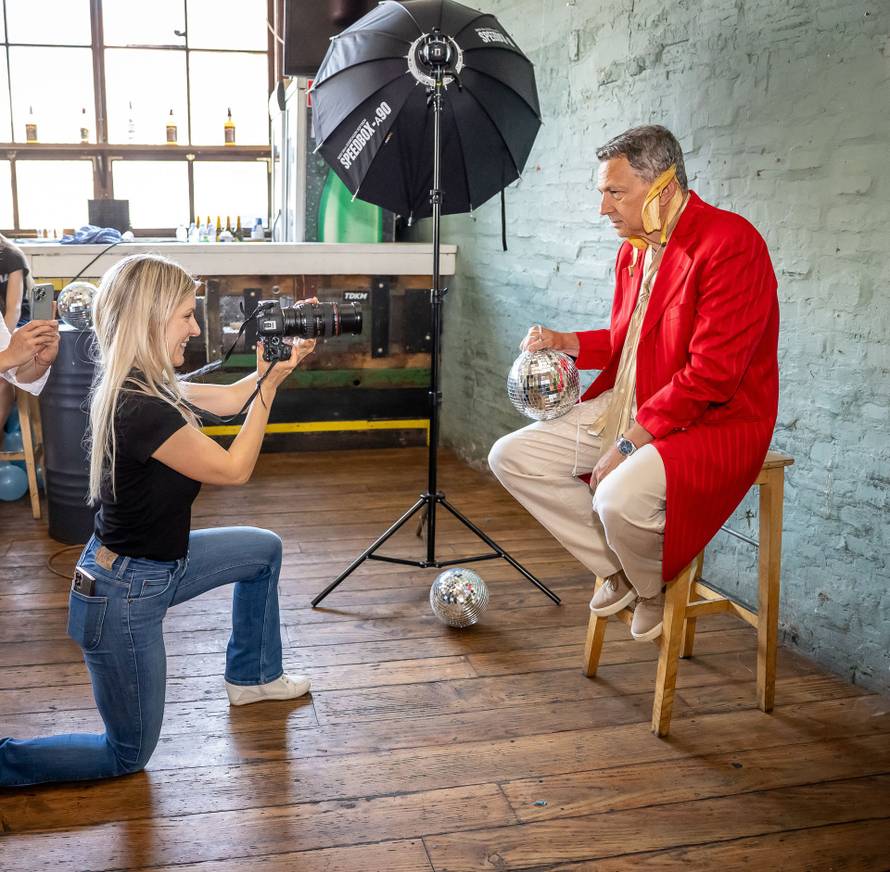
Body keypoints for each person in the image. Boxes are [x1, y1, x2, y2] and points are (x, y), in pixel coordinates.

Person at [0, 253, 316, 787]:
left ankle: (253, 676)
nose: (196, 327)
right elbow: (234, 469)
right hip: (121, 596)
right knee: (126, 755)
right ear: (150, 319)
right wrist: (266, 394)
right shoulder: (141, 405)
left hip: (158, 567)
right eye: (186, 315)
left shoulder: (146, 380)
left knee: (261, 550)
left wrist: (272, 374)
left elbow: (233, 398)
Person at [489, 125, 779, 642]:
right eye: (603, 193)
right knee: (511, 457)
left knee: (617, 499)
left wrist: (627, 443)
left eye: (615, 193)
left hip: (711, 422)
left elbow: (712, 375)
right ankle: (620, 568)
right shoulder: (633, 249)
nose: (604, 208)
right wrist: (566, 340)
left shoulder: (731, 244)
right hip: (631, 404)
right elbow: (632, 341)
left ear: (664, 188)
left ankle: (651, 588)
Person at [0, 234, 35, 430]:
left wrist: (4, 351)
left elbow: (14, 310)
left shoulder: (11, 256)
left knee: (2, 378)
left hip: (15, 328)